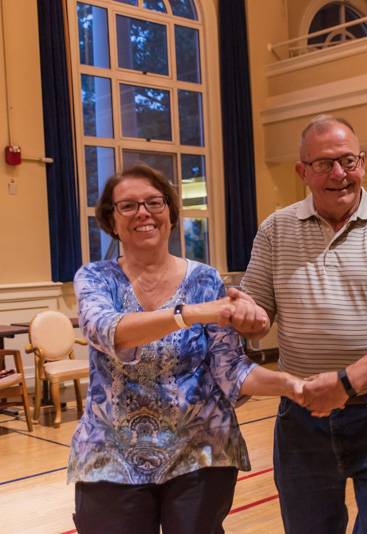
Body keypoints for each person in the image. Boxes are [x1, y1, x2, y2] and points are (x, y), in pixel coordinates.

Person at [70, 165, 304, 534]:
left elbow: (231, 372)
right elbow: (109, 331)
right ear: (111, 222)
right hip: (110, 454)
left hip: (200, 452)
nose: (143, 213)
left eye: (153, 202)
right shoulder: (95, 278)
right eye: (128, 206)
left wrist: (291, 385)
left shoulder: (205, 279)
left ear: (171, 213)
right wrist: (188, 314)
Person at [240, 115, 367, 534]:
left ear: (363, 163)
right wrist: (243, 317)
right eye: (324, 164)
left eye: (348, 161)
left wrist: (345, 383)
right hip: (301, 418)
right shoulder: (275, 231)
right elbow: (256, 316)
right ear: (302, 172)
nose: (339, 174)